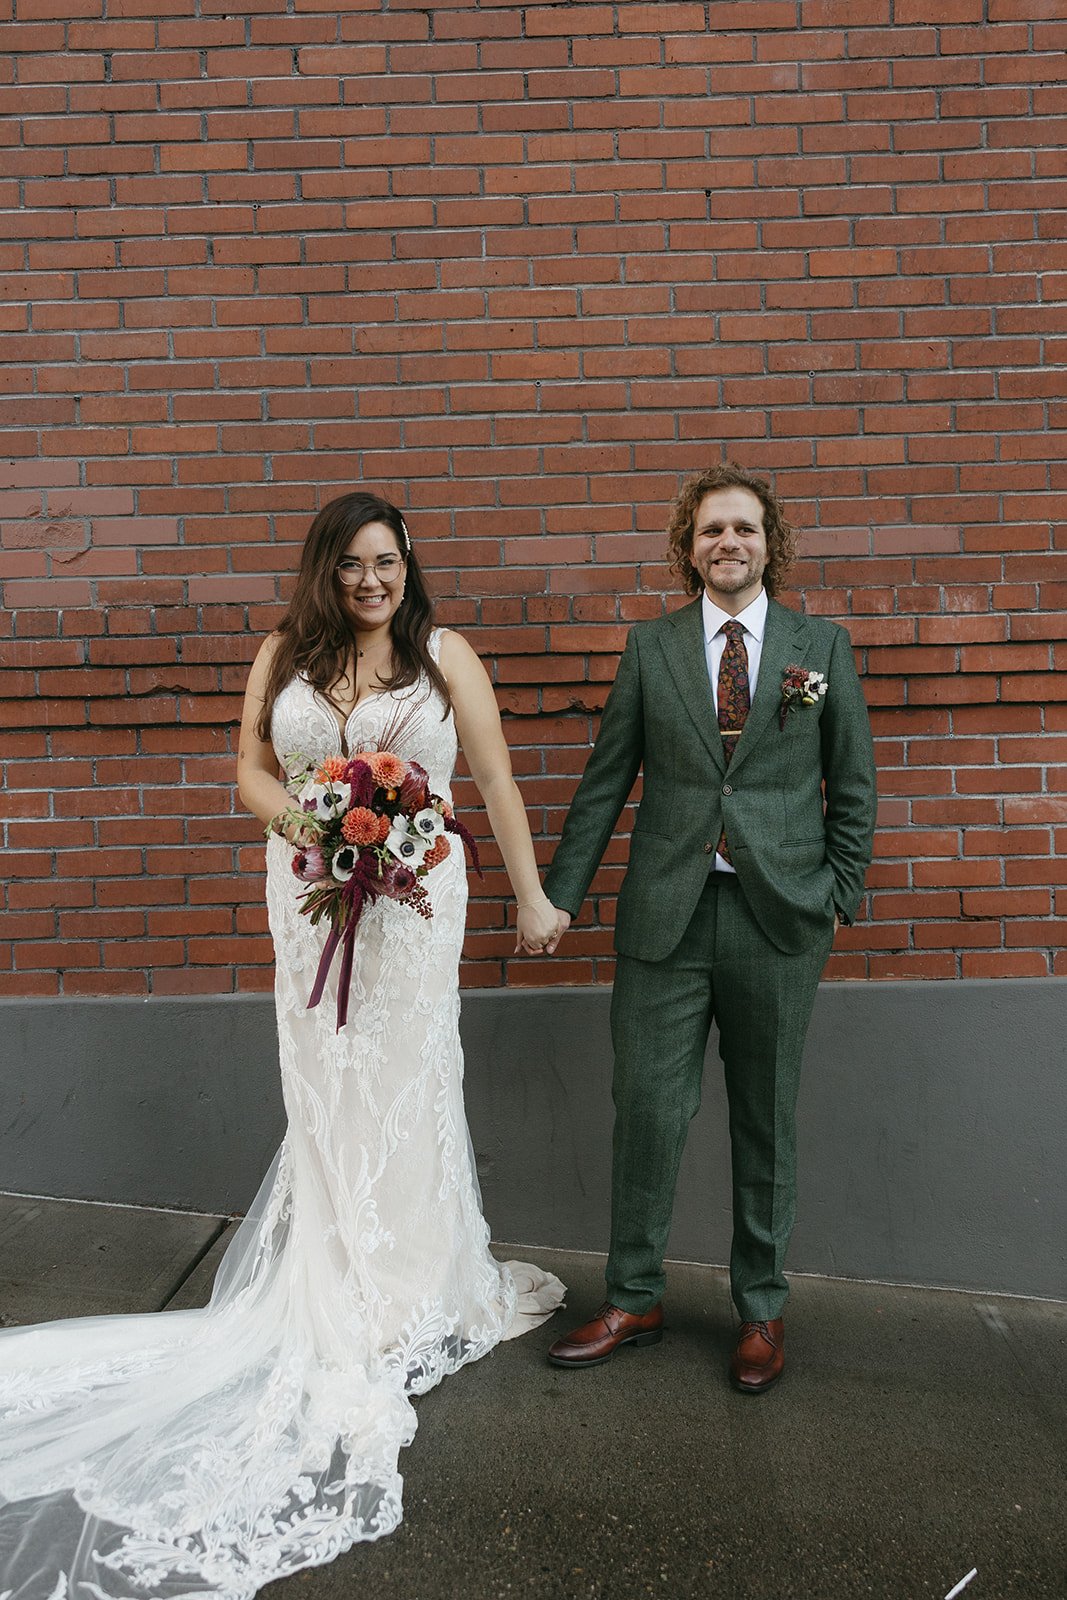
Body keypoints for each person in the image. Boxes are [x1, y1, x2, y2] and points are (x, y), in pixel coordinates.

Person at [0, 491, 566, 1600]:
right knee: (326, 1083)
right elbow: (249, 771)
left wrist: (531, 898)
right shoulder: (282, 654)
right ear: (326, 569)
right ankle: (334, 1274)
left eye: (388, 561)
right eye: (352, 563)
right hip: (309, 892)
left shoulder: (446, 657)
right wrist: (313, 824)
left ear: (409, 568)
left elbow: (488, 779)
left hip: (414, 910)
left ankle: (408, 1286)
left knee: (406, 1081)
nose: (371, 580)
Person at [542, 463, 877, 1392]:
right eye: (709, 531)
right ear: (686, 548)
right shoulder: (651, 648)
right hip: (666, 919)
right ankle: (633, 1294)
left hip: (780, 919)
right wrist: (560, 895)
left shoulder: (820, 647)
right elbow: (607, 778)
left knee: (765, 1120)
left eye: (743, 529)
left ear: (771, 541)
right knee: (647, 1113)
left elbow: (851, 783)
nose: (727, 543)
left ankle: (760, 1311)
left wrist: (835, 892)